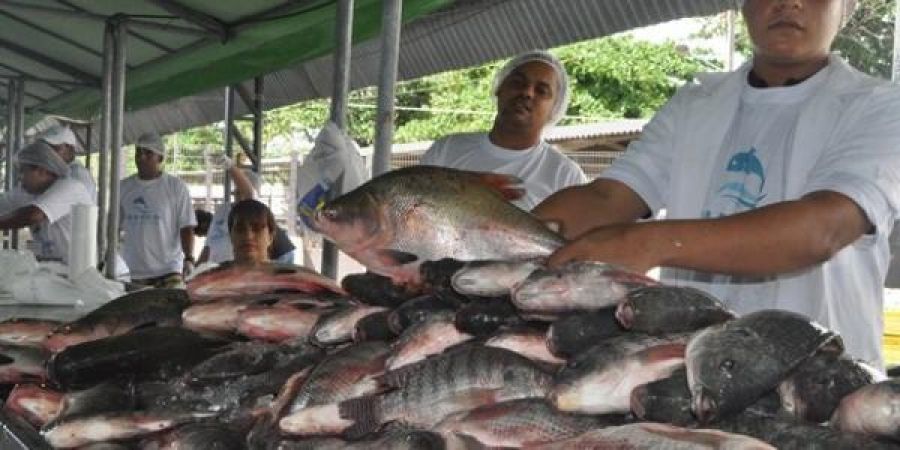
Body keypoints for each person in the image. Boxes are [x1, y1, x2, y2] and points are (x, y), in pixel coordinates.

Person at [533, 0, 900, 369]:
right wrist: (492, 225)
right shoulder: (697, 102)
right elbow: (609, 196)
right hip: (694, 375)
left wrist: (648, 242)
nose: (790, 2)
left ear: (845, 7)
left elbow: (821, 228)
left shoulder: (879, 106)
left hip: (821, 385)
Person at [419, 49, 587, 210]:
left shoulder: (566, 176)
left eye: (541, 91)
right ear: (499, 88)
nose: (527, 92)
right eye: (518, 82)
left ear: (555, 109)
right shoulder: (447, 150)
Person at [119, 133, 196, 288]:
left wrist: (189, 258)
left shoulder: (175, 187)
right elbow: (113, 226)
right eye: (138, 152)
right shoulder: (123, 187)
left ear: (160, 158)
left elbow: (186, 226)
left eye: (148, 153)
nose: (141, 157)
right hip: (133, 271)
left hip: (169, 270)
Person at [0, 141, 93, 263]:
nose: (19, 177)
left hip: (76, 272)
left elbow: (34, 215)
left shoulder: (70, 187)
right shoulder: (30, 192)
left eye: (23, 171)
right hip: (50, 269)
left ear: (42, 171)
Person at [197, 155, 295, 266]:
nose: (238, 196)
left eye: (241, 192)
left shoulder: (255, 207)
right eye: (236, 193)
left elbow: (248, 192)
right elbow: (208, 246)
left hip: (280, 256)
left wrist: (230, 166)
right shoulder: (223, 210)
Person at [38, 124, 97, 201]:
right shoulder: (62, 172)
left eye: (54, 148)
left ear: (70, 148)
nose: (48, 153)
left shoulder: (76, 174)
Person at [228, 199, 278, 266]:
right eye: (240, 229)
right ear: (230, 236)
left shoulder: (288, 276)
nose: (248, 236)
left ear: (270, 237)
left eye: (257, 228)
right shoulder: (214, 275)